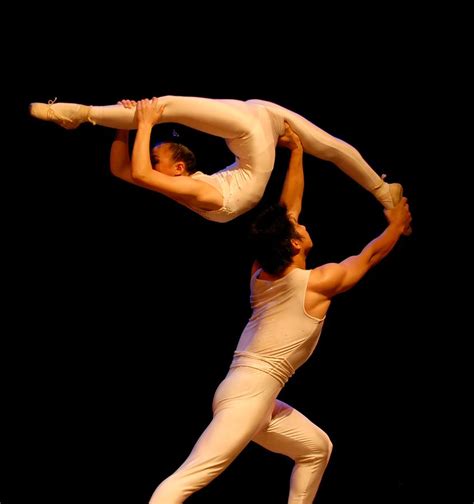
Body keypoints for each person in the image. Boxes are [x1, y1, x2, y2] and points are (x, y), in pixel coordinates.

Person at [145, 123, 412, 503]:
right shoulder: (318, 283)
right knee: (187, 478)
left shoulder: (261, 274)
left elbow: (289, 208)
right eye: (298, 227)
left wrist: (298, 153)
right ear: (292, 242)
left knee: (316, 448)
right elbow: (369, 256)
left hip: (250, 395)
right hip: (248, 398)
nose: (302, 224)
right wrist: (396, 225)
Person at [29, 96, 410, 232]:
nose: (147, 158)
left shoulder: (192, 189)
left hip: (254, 119)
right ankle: (86, 114)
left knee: (330, 147)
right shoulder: (202, 191)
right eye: (156, 153)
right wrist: (140, 122)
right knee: (161, 109)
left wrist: (127, 128)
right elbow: (136, 171)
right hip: (254, 134)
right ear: (179, 168)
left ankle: (385, 193)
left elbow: (125, 171)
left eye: (155, 154)